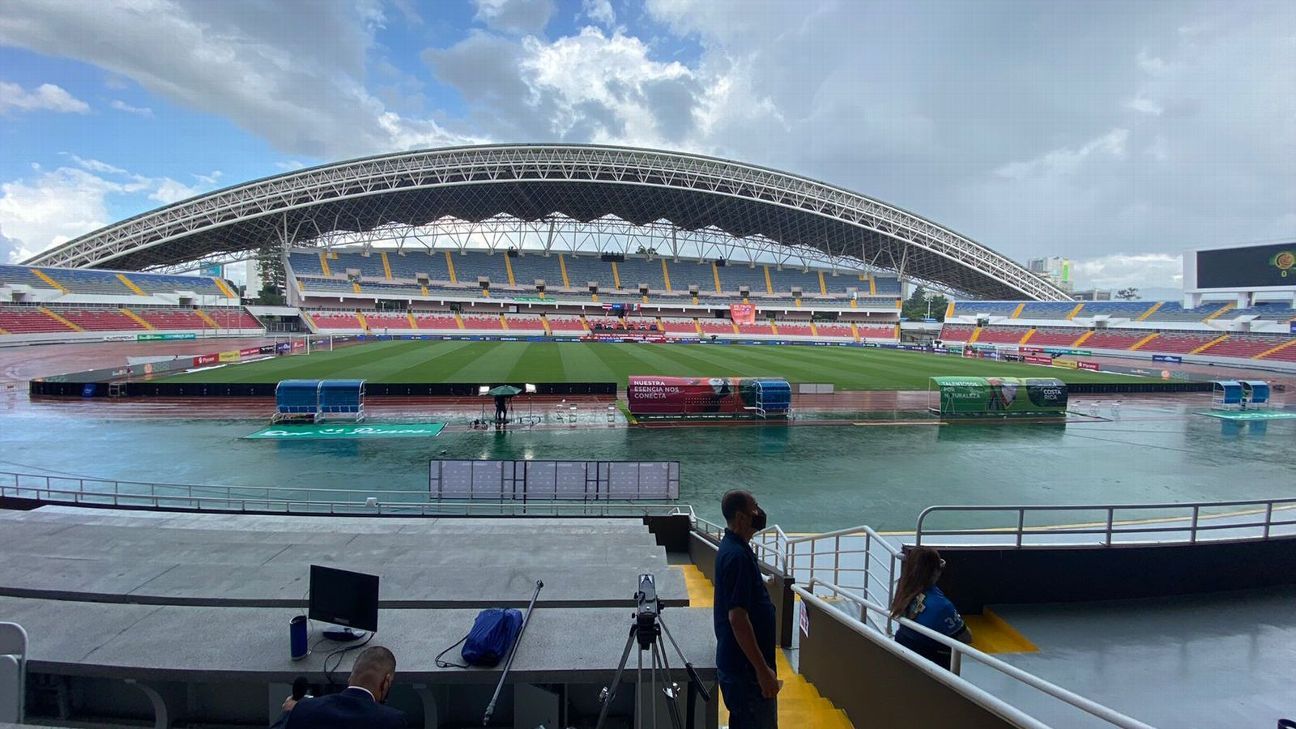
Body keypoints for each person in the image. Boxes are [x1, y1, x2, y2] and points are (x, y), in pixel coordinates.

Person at [713, 490, 779, 729]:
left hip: (743, 670)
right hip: (747, 675)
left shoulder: (735, 548)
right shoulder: (737, 557)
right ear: (741, 517)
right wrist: (762, 671)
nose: (759, 513)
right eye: (755, 508)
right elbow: (737, 619)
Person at [271, 646, 408, 729]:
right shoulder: (392, 721)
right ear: (386, 682)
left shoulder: (304, 708)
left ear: (350, 676)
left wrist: (287, 715)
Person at [889, 547, 972, 669]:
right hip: (934, 667)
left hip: (904, 658)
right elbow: (966, 638)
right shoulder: (943, 606)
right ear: (935, 571)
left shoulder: (903, 592)